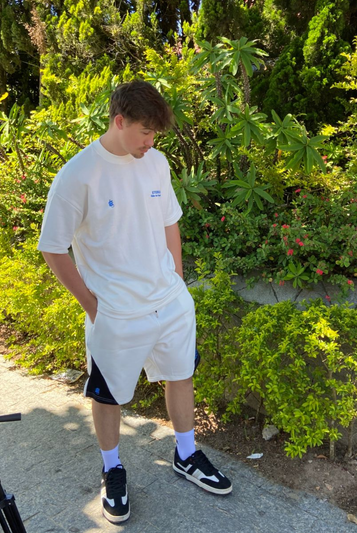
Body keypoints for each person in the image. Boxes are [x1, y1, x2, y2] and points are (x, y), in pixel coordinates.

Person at [37, 80, 232, 524]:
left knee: (181, 374)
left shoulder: (156, 163)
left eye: (155, 135)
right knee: (108, 396)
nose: (151, 143)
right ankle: (112, 469)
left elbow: (169, 222)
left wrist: (177, 281)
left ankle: (186, 454)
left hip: (169, 302)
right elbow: (52, 247)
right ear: (119, 121)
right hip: (116, 313)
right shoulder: (78, 175)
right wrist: (92, 306)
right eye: (145, 133)